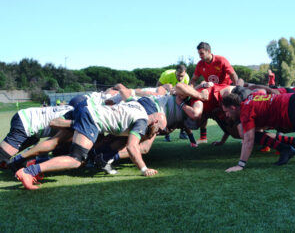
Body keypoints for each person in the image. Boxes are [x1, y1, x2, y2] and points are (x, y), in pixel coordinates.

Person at [15, 91, 167, 190]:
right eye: (159, 129)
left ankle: (32, 162)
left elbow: (123, 98)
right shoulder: (141, 121)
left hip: (87, 108)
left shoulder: (137, 105)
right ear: (154, 122)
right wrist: (144, 169)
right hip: (92, 119)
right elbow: (132, 147)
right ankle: (29, 171)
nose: (158, 133)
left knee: (60, 136)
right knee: (75, 160)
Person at [189, 42, 238, 143]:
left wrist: (237, 89)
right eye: (199, 54)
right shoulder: (200, 64)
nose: (200, 56)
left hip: (225, 92)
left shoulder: (221, 60)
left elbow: (233, 75)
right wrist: (190, 89)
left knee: (229, 116)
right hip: (212, 92)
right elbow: (193, 79)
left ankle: (245, 133)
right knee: (204, 110)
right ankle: (203, 137)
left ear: (209, 51)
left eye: (202, 53)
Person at [0, 105, 74, 166]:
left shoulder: (75, 111)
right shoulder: (75, 118)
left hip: (28, 120)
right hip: (27, 122)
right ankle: (19, 162)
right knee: (2, 156)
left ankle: (19, 161)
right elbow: (53, 142)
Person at [157, 64, 191, 141]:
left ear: (185, 73)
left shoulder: (186, 78)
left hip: (177, 94)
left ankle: (182, 133)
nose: (180, 78)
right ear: (175, 72)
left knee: (183, 111)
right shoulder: (166, 75)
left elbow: (184, 92)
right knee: (167, 113)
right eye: (178, 75)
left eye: (182, 76)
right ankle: (166, 135)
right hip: (165, 94)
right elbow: (158, 87)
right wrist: (168, 92)